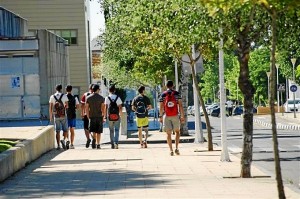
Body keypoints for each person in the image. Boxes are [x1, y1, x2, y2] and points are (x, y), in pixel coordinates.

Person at [158, 80, 185, 156]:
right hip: (175, 115)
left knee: (168, 133)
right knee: (177, 132)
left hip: (166, 116)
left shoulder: (163, 94)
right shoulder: (177, 94)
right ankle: (176, 148)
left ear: (166, 86)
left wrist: (160, 116)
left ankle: (171, 150)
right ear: (173, 85)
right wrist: (182, 116)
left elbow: (161, 107)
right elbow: (180, 105)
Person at [49, 84, 69, 150]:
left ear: (56, 89)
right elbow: (67, 106)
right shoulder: (64, 96)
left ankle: (58, 146)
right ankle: (63, 139)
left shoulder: (52, 96)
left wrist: (51, 117)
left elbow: (51, 108)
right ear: (61, 89)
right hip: (63, 115)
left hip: (56, 115)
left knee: (57, 131)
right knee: (65, 130)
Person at [85, 84, 105, 149]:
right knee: (99, 131)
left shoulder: (88, 98)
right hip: (99, 116)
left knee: (93, 130)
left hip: (92, 116)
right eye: (99, 89)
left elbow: (87, 108)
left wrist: (88, 116)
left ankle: (94, 139)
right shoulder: (101, 98)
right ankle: (98, 144)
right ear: (97, 89)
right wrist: (104, 116)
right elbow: (103, 108)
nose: (99, 90)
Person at [104, 85, 123, 149]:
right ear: (114, 90)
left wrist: (105, 116)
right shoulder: (118, 97)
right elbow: (120, 107)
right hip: (117, 116)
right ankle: (116, 143)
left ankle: (112, 143)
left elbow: (106, 107)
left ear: (109, 90)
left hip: (109, 116)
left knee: (111, 130)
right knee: (117, 130)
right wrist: (120, 114)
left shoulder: (107, 98)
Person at [65, 85, 80, 149]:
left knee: (66, 130)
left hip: (66, 115)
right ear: (71, 90)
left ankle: (67, 141)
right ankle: (72, 144)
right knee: (72, 130)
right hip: (73, 115)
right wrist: (74, 108)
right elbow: (78, 106)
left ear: (66, 90)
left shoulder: (64, 97)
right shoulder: (75, 97)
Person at [81, 84, 94, 148]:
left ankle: (88, 138)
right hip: (94, 113)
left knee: (86, 127)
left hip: (86, 113)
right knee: (93, 127)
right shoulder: (96, 95)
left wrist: (82, 113)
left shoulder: (85, 95)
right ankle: (94, 138)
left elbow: (82, 105)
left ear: (89, 88)